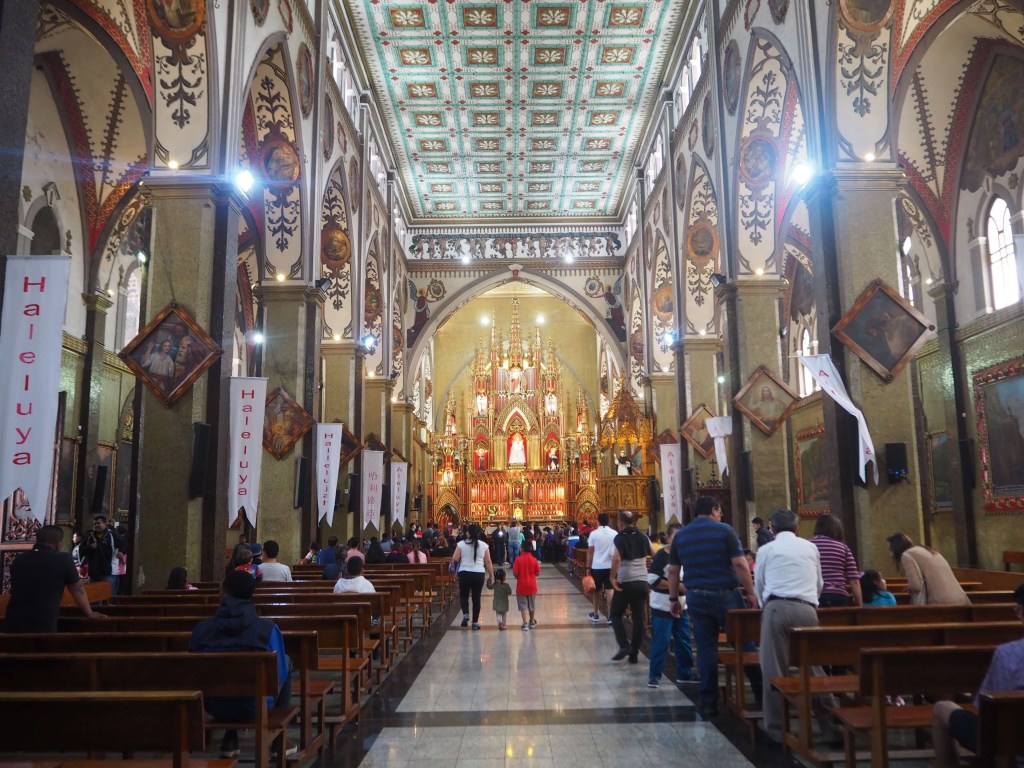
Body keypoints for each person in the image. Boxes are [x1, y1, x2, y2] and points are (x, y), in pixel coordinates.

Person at [668, 495, 761, 718]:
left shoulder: (681, 535)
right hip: (726, 595)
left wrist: (673, 599)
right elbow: (739, 563)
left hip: (697, 597)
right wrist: (750, 592)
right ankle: (761, 694)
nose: (721, 515)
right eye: (719, 512)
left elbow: (673, 570)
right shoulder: (724, 531)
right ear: (715, 509)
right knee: (744, 642)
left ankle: (708, 701)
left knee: (706, 648)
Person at [754, 508, 839, 745]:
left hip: (776, 608)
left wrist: (765, 605)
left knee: (773, 670)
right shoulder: (809, 547)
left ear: (772, 529)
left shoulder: (766, 549)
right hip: (807, 608)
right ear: (797, 528)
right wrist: (809, 602)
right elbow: (819, 582)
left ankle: (777, 731)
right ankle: (830, 727)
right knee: (814, 669)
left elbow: (759, 583)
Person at [189, 571, 295, 758]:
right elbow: (276, 676)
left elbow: (191, 669)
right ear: (251, 594)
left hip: (214, 705)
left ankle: (230, 738)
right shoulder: (267, 629)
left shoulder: (202, 629)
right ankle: (279, 738)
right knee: (285, 661)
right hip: (256, 705)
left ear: (223, 593)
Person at [931, 582, 1024, 767]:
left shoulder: (1008, 654)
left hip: (1011, 751)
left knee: (942, 708)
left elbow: (989, 710)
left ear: (1021, 613)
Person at [3, 525, 103, 632]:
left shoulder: (19, 559)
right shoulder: (63, 559)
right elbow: (77, 589)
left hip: (13, 619)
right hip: (43, 619)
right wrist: (89, 613)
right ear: (59, 543)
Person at [646, 521, 694, 687]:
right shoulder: (661, 556)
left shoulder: (687, 555)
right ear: (668, 538)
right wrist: (677, 586)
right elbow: (652, 579)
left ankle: (685, 673)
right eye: (676, 537)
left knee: (684, 640)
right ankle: (654, 675)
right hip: (662, 604)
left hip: (682, 604)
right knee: (662, 641)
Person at [609, 510, 653, 663]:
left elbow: (616, 559)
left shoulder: (619, 538)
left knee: (615, 614)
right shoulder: (644, 537)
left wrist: (612, 577)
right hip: (642, 583)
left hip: (625, 583)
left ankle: (624, 645)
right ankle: (634, 653)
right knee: (638, 618)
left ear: (620, 523)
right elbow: (654, 554)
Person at [887, 532, 969, 605]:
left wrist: (909, 588)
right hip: (959, 598)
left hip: (940, 601)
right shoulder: (928, 550)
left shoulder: (907, 555)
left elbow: (916, 586)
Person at [810, 514, 862, 607]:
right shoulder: (843, 548)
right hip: (838, 595)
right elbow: (854, 580)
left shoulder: (808, 545)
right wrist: (859, 605)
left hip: (815, 595)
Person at [454, 523, 494, 630]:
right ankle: (475, 622)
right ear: (479, 533)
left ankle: (466, 614)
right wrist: (491, 576)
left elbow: (455, 558)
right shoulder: (484, 545)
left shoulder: (461, 544)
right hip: (478, 573)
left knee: (463, 595)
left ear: (468, 533)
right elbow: (488, 562)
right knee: (476, 598)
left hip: (464, 573)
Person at [586, 512, 617, 625]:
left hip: (597, 566)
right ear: (608, 521)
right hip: (610, 566)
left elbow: (590, 551)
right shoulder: (614, 533)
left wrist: (588, 567)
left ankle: (595, 614)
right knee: (610, 590)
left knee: (596, 591)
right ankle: (610, 616)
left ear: (598, 521)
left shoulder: (594, 534)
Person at [81, 514, 124, 586]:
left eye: (98, 523)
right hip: (93, 573)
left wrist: (121, 551)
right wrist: (90, 547)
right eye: (94, 524)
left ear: (105, 524)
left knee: (109, 595)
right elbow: (81, 550)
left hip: (108, 572)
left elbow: (123, 544)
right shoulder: (89, 536)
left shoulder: (112, 535)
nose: (96, 525)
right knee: (94, 596)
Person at [513, 540, 540, 630]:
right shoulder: (534, 560)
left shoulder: (518, 559)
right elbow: (537, 573)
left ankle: (525, 623)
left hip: (521, 585)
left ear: (522, 549)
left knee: (523, 605)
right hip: (532, 586)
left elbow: (515, 573)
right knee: (531, 605)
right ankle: (532, 621)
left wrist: (519, 577)